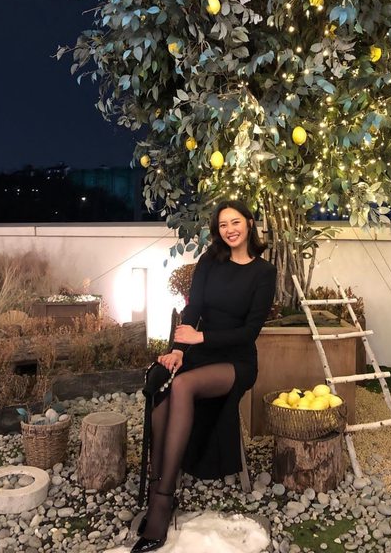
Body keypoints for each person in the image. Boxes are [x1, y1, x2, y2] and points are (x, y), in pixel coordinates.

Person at [131, 199, 277, 552]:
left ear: (250, 223)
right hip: (200, 352)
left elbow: (250, 332)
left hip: (236, 361)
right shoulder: (210, 262)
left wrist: (202, 338)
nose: (230, 229)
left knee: (182, 385)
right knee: (163, 396)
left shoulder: (263, 272)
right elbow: (193, 308)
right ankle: (159, 487)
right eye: (223, 224)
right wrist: (179, 349)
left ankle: (162, 501)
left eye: (235, 222)